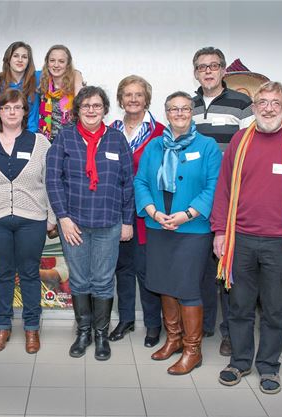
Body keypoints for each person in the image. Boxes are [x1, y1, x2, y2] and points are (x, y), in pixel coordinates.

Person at [211, 81, 282, 393]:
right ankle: (239, 362)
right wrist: (220, 231)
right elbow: (223, 189)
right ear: (254, 107)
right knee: (240, 307)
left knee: (275, 310)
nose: (268, 108)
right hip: (241, 241)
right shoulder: (239, 141)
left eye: (275, 102)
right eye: (262, 101)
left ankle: (269, 367)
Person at [134, 91, 222, 375]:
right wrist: (153, 212)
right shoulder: (154, 146)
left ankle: (192, 350)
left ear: (192, 112)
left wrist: (187, 215)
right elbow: (140, 182)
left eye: (185, 108)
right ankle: (173, 339)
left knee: (186, 287)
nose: (180, 113)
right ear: (166, 113)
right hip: (159, 226)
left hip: (193, 229)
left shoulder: (207, 146)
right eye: (174, 109)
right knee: (162, 283)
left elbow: (214, 186)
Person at [46, 86, 134, 361]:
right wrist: (63, 218)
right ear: (77, 110)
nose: (92, 110)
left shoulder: (117, 140)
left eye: (97, 105)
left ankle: (101, 336)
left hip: (109, 223)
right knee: (81, 279)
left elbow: (127, 184)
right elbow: (53, 180)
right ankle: (83, 332)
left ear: (105, 109)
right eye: (86, 106)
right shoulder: (64, 138)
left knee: (104, 281)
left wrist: (127, 221)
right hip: (74, 224)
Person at [0, 88, 55, 354]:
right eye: (7, 108)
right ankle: (2, 327)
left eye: (17, 107)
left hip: (32, 220)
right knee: (3, 275)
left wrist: (51, 217)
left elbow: (51, 183)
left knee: (29, 274)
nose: (12, 112)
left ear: (24, 112)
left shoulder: (41, 143)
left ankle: (31, 329)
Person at [191, 46, 254, 356]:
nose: (208, 71)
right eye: (202, 66)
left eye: (214, 66)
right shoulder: (187, 106)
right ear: (196, 71)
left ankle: (230, 331)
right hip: (197, 199)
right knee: (202, 266)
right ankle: (204, 325)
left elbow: (251, 149)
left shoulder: (242, 104)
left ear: (223, 70)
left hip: (231, 198)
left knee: (230, 268)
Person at [108, 75, 165, 347]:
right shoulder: (111, 130)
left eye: (138, 94)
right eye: (127, 94)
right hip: (117, 211)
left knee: (146, 269)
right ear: (120, 99)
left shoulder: (160, 132)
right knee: (123, 268)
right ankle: (126, 319)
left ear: (146, 99)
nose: (133, 99)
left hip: (147, 213)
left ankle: (153, 325)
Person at [0, 41, 39, 133]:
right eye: (16, 56)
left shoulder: (38, 79)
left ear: (28, 62)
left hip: (31, 136)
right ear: (8, 59)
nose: (20, 60)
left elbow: (63, 71)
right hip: (5, 136)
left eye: (24, 57)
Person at [38, 45, 84, 142]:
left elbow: (81, 107)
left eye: (61, 61)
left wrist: (77, 74)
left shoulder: (76, 85)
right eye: (52, 60)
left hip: (71, 140)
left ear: (68, 65)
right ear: (47, 63)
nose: (56, 65)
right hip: (46, 140)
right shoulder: (41, 83)